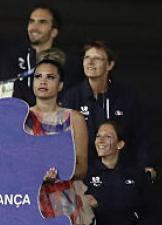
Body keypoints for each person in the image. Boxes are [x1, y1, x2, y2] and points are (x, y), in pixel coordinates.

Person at [60, 41, 155, 179]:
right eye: (87, 58)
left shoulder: (127, 96)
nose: (90, 62)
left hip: (123, 171)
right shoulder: (71, 97)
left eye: (97, 58)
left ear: (110, 65)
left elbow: (141, 134)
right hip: (85, 173)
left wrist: (146, 165)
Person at [24, 59, 91, 225]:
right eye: (38, 76)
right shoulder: (20, 117)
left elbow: (82, 167)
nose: (43, 81)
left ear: (60, 85)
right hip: (28, 201)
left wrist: (58, 173)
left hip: (65, 202)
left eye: (50, 77)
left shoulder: (74, 118)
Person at [85, 120, 152, 225]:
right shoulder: (86, 174)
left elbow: (146, 209)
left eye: (108, 137)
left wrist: (99, 204)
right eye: (98, 136)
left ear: (120, 144)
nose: (101, 141)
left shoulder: (135, 173)